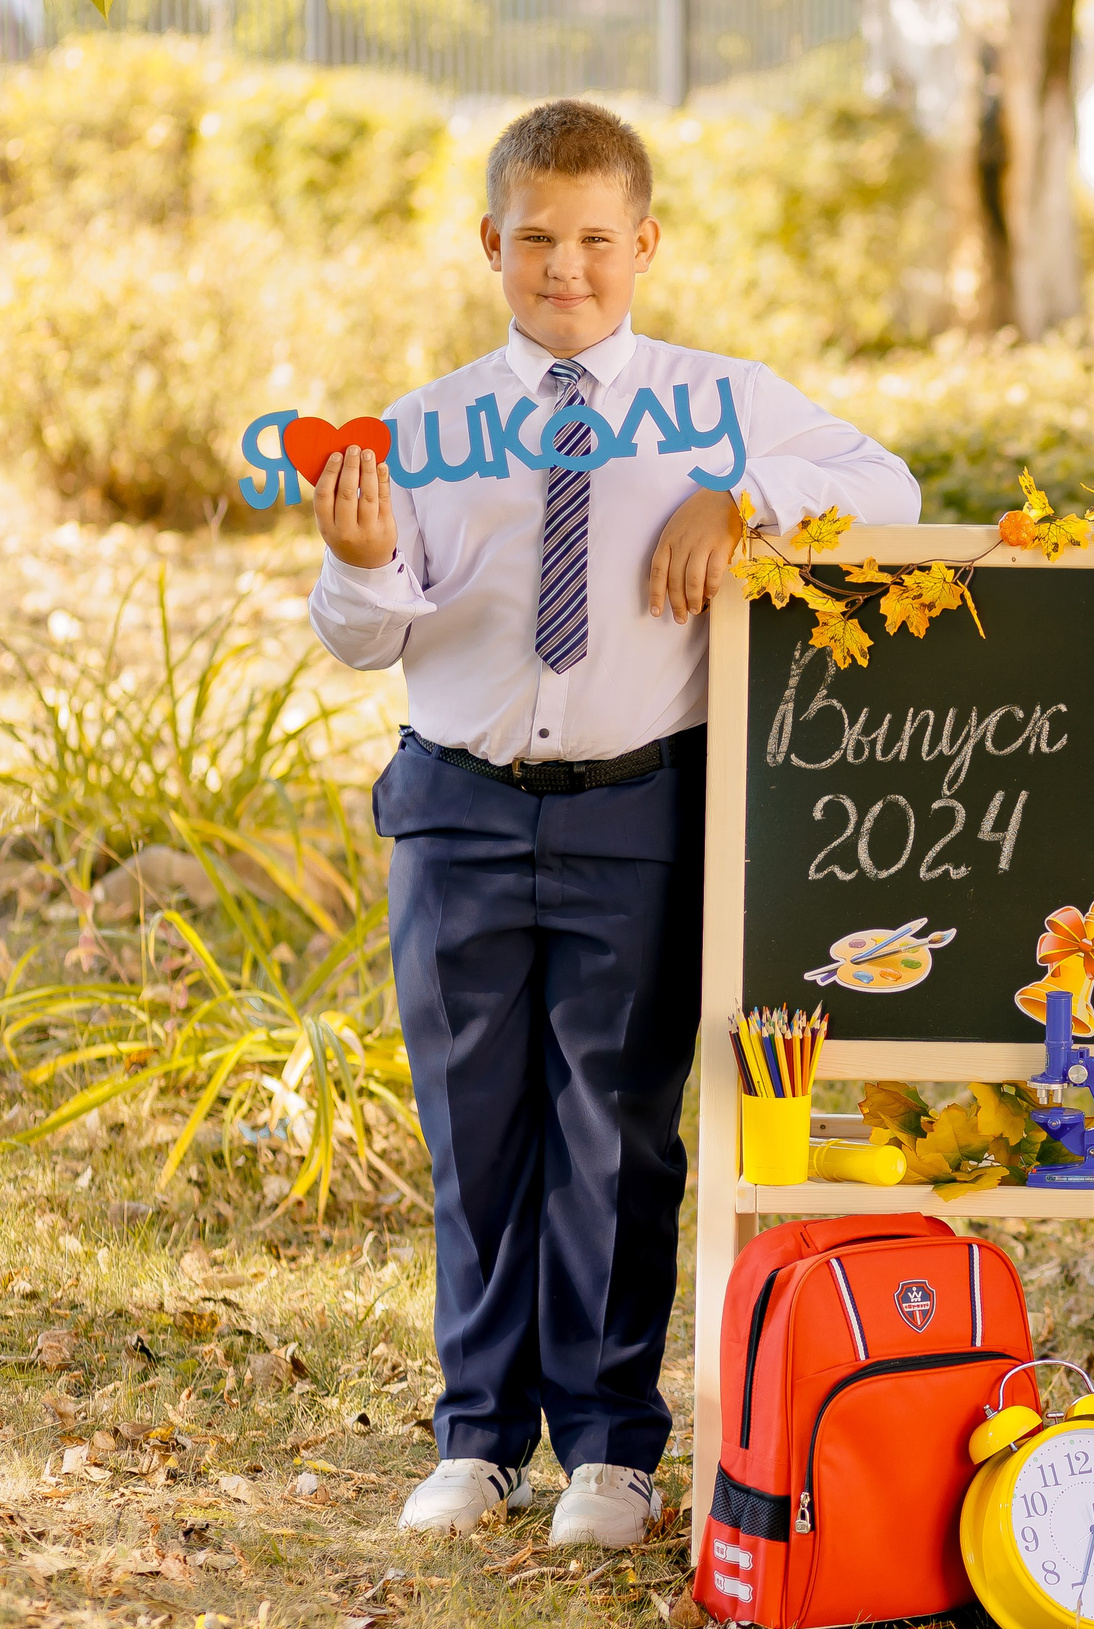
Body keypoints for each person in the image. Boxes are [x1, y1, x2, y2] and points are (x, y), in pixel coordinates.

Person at [306, 100, 920, 1546]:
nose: (565, 268)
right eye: (536, 239)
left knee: (619, 1127)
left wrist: (740, 493)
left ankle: (608, 1446)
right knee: (475, 1129)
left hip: (639, 809)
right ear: (490, 243)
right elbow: (367, 638)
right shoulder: (427, 427)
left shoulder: (723, 404)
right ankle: (478, 1436)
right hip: (457, 810)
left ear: (645, 243)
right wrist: (360, 560)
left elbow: (886, 486)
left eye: (595, 239)